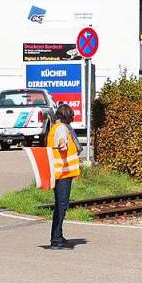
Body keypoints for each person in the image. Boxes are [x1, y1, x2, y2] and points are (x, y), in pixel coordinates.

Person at [47, 103, 81, 249]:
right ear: (67, 116)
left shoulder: (56, 127)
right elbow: (62, 139)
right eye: (71, 116)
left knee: (60, 205)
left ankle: (58, 235)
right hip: (62, 173)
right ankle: (56, 240)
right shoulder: (61, 129)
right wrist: (63, 143)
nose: (72, 119)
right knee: (61, 206)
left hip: (60, 173)